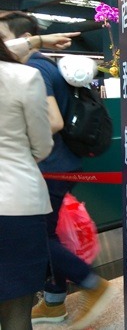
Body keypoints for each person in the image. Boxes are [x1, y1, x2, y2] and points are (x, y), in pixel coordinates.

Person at [0, 11, 115, 330]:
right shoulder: (42, 64)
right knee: (48, 234)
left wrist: (15, 147)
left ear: (20, 38)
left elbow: (53, 121)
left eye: (4, 36)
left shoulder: (33, 69)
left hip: (47, 165)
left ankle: (91, 283)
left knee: (41, 238)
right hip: (58, 163)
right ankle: (54, 302)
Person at [0, 38, 54, 330]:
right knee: (16, 314)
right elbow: (42, 144)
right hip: (16, 203)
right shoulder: (23, 76)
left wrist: (37, 40)